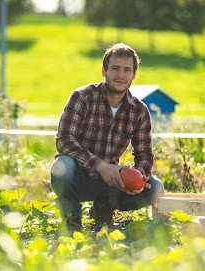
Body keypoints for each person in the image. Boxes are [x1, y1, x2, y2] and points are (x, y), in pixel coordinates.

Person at [50, 42, 164, 234]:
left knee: (155, 186)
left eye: (127, 70)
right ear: (104, 71)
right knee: (63, 167)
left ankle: (103, 210)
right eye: (115, 68)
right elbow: (64, 140)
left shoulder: (139, 111)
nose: (121, 75)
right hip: (79, 177)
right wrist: (101, 166)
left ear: (134, 75)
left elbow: (144, 155)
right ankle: (72, 224)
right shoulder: (82, 97)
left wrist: (138, 176)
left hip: (112, 182)